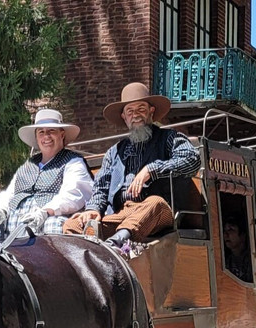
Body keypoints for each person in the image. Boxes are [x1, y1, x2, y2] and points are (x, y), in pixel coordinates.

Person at [63, 82, 199, 249]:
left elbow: (192, 160)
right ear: (124, 117)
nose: (136, 115)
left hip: (159, 214)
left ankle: (115, 246)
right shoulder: (114, 152)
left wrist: (152, 169)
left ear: (151, 111)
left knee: (155, 203)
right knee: (72, 224)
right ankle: (93, 258)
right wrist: (94, 209)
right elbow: (101, 188)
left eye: (141, 109)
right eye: (130, 111)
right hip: (121, 215)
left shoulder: (170, 138)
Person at [0, 108, 92, 242]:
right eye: (41, 132)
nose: (46, 136)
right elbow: (9, 193)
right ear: (36, 137)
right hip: (12, 219)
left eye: (51, 131)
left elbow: (74, 194)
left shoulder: (73, 161)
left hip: (43, 220)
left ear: (62, 134)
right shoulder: (28, 165)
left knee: (53, 227)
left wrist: (46, 211)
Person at [222, 217, 252, 282]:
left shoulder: (252, 261)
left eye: (231, 229)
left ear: (242, 235)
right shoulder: (226, 261)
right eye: (225, 230)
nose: (225, 235)